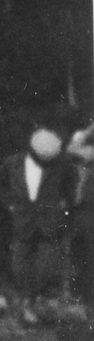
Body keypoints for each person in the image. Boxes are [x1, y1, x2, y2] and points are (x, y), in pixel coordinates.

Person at [0, 124, 77, 323]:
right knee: (20, 266)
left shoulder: (62, 166)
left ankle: (29, 303)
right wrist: (9, 203)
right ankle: (26, 305)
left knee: (45, 268)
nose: (46, 162)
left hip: (49, 224)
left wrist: (63, 208)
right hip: (22, 222)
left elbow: (71, 189)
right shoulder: (13, 164)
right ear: (33, 151)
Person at [67, 123, 94, 303]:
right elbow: (73, 149)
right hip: (83, 207)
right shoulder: (84, 148)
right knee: (83, 250)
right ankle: (81, 292)